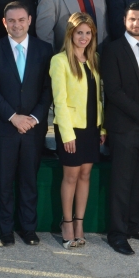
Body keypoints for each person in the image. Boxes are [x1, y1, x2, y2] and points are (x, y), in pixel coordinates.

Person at [0, 2, 53, 247]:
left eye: (21, 20)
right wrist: (13, 117)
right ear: (4, 23)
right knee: (3, 181)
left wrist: (33, 118)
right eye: (11, 20)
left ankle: (28, 229)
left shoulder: (45, 50)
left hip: (33, 129)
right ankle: (5, 230)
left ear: (30, 20)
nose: (17, 25)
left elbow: (48, 90)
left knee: (28, 181)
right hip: (4, 128)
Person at [100, 3, 139, 255]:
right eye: (131, 19)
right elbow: (113, 91)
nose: (136, 23)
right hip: (124, 127)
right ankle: (117, 234)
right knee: (121, 182)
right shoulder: (112, 49)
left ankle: (134, 226)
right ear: (124, 21)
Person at [49, 13, 105, 249]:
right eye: (79, 32)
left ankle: (80, 223)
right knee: (71, 177)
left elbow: (99, 98)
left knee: (85, 176)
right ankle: (67, 223)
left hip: (93, 128)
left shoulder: (95, 59)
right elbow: (59, 101)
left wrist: (103, 127)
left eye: (88, 33)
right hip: (71, 129)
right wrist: (67, 133)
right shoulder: (59, 60)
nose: (83, 37)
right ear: (70, 34)